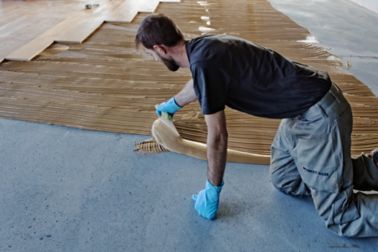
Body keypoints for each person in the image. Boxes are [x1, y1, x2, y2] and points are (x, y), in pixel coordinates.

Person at [135, 13, 378, 237]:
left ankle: (339, 182)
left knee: (340, 216)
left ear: (160, 48)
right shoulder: (202, 49)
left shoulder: (204, 62)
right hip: (299, 109)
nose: (154, 59)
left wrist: (213, 189)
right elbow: (201, 84)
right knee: (286, 179)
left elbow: (218, 137)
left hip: (318, 114)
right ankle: (362, 170)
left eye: (151, 55)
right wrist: (173, 105)